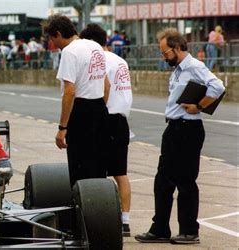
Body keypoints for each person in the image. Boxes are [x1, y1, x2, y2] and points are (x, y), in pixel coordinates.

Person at [135, 28, 225, 244]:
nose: (164, 57)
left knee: (186, 181)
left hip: (188, 129)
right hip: (174, 128)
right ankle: (160, 228)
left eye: (165, 53)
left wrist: (199, 106)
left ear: (176, 48)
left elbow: (218, 86)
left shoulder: (194, 66)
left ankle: (189, 230)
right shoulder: (177, 70)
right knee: (163, 180)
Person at [43, 14, 109, 186]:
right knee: (98, 163)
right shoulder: (95, 46)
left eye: (52, 38)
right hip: (100, 107)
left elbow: (70, 91)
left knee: (79, 165)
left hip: (81, 110)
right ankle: (101, 202)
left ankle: (82, 205)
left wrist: (62, 128)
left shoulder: (69, 52)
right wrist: (102, 108)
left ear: (58, 33)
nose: (52, 43)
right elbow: (106, 83)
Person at [80, 23, 133, 237]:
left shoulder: (98, 59)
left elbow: (104, 88)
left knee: (98, 174)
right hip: (121, 120)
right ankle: (125, 221)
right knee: (121, 173)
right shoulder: (121, 61)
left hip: (105, 118)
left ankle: (101, 219)